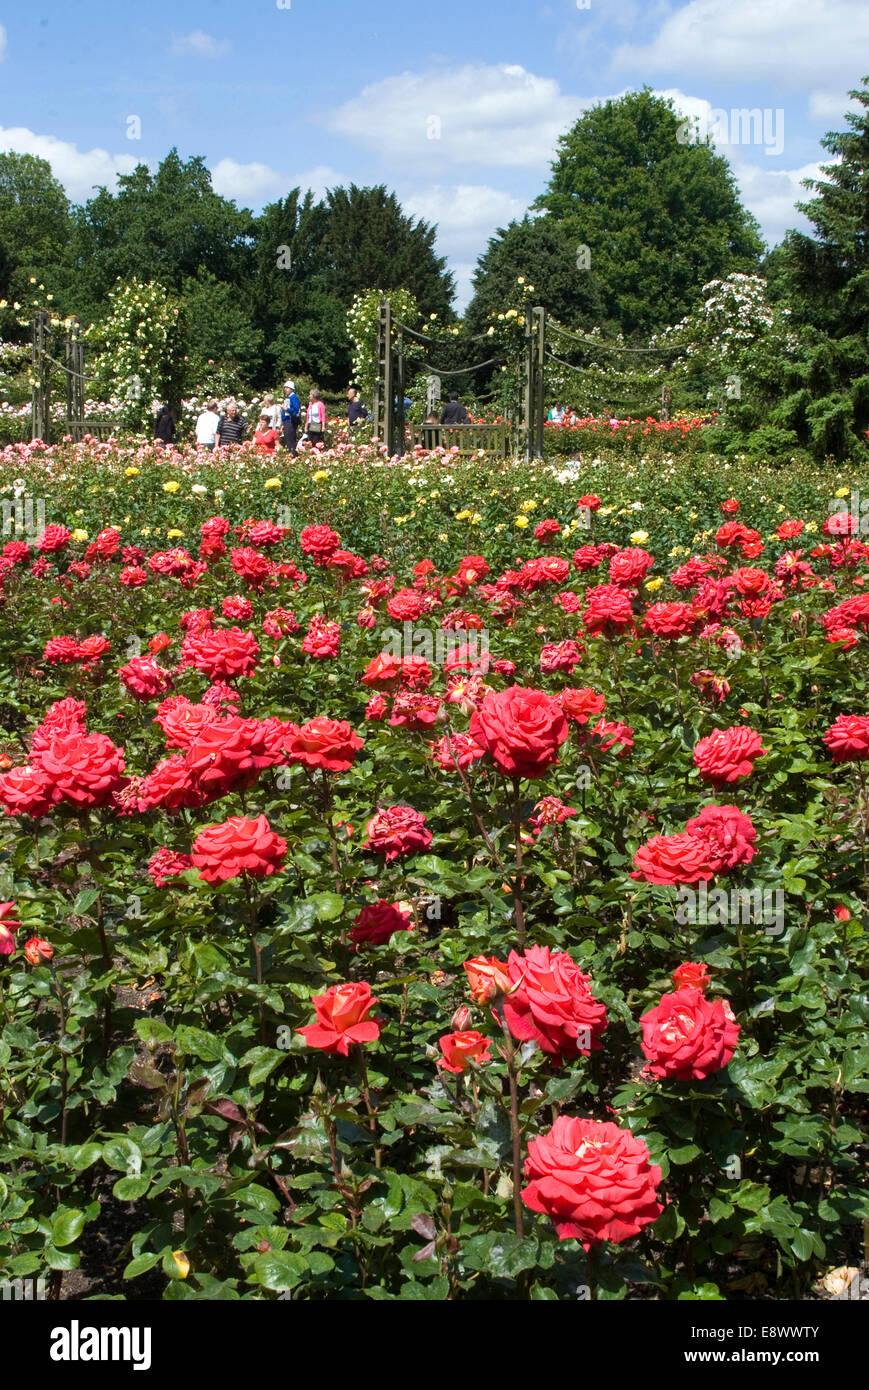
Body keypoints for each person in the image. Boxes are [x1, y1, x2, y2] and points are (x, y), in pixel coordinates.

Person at [280, 379, 302, 454]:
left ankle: (293, 454)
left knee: (291, 440)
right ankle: (291, 453)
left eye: (287, 388)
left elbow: (296, 410)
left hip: (291, 421)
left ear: (291, 389)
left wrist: (287, 409)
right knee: (288, 439)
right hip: (287, 421)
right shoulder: (288, 397)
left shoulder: (293, 398)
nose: (285, 389)